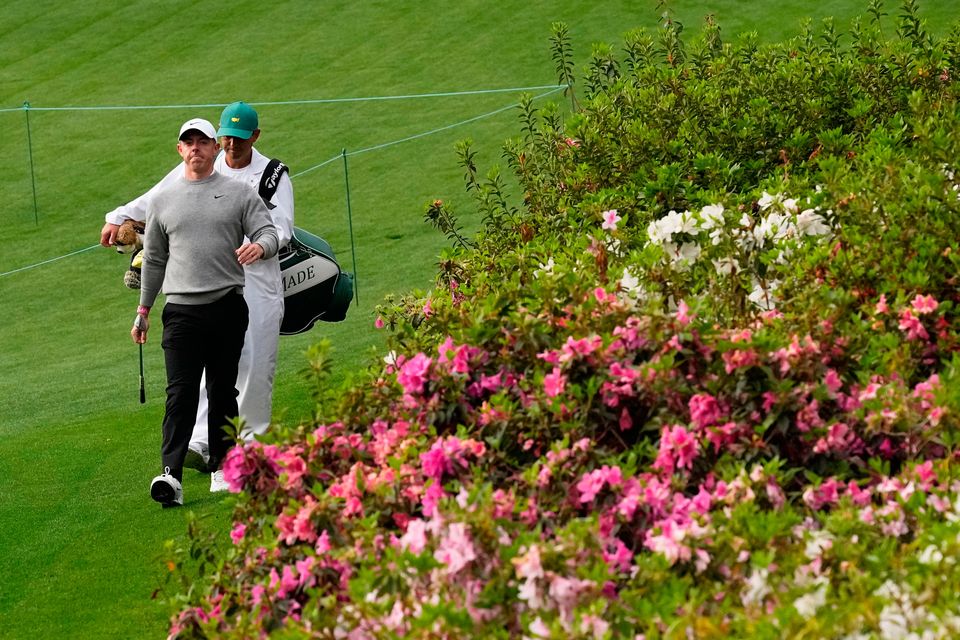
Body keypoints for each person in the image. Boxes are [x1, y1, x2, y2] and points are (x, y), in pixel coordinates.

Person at [101, 102, 294, 470]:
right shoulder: (204, 161)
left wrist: (260, 245)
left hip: (257, 280)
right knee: (209, 366)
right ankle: (203, 441)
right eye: (227, 139)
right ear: (219, 139)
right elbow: (159, 197)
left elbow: (281, 226)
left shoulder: (271, 175)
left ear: (254, 136)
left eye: (239, 139)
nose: (232, 146)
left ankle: (249, 447)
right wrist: (120, 217)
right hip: (208, 278)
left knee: (253, 363)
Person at [132, 118, 279, 507]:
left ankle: (222, 467)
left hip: (227, 307)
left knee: (221, 390)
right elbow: (154, 259)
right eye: (188, 142)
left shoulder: (237, 194)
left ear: (215, 149)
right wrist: (144, 309)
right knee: (179, 393)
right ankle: (171, 474)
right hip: (180, 311)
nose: (196, 148)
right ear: (179, 150)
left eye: (203, 142)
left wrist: (260, 248)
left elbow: (269, 232)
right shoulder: (163, 200)